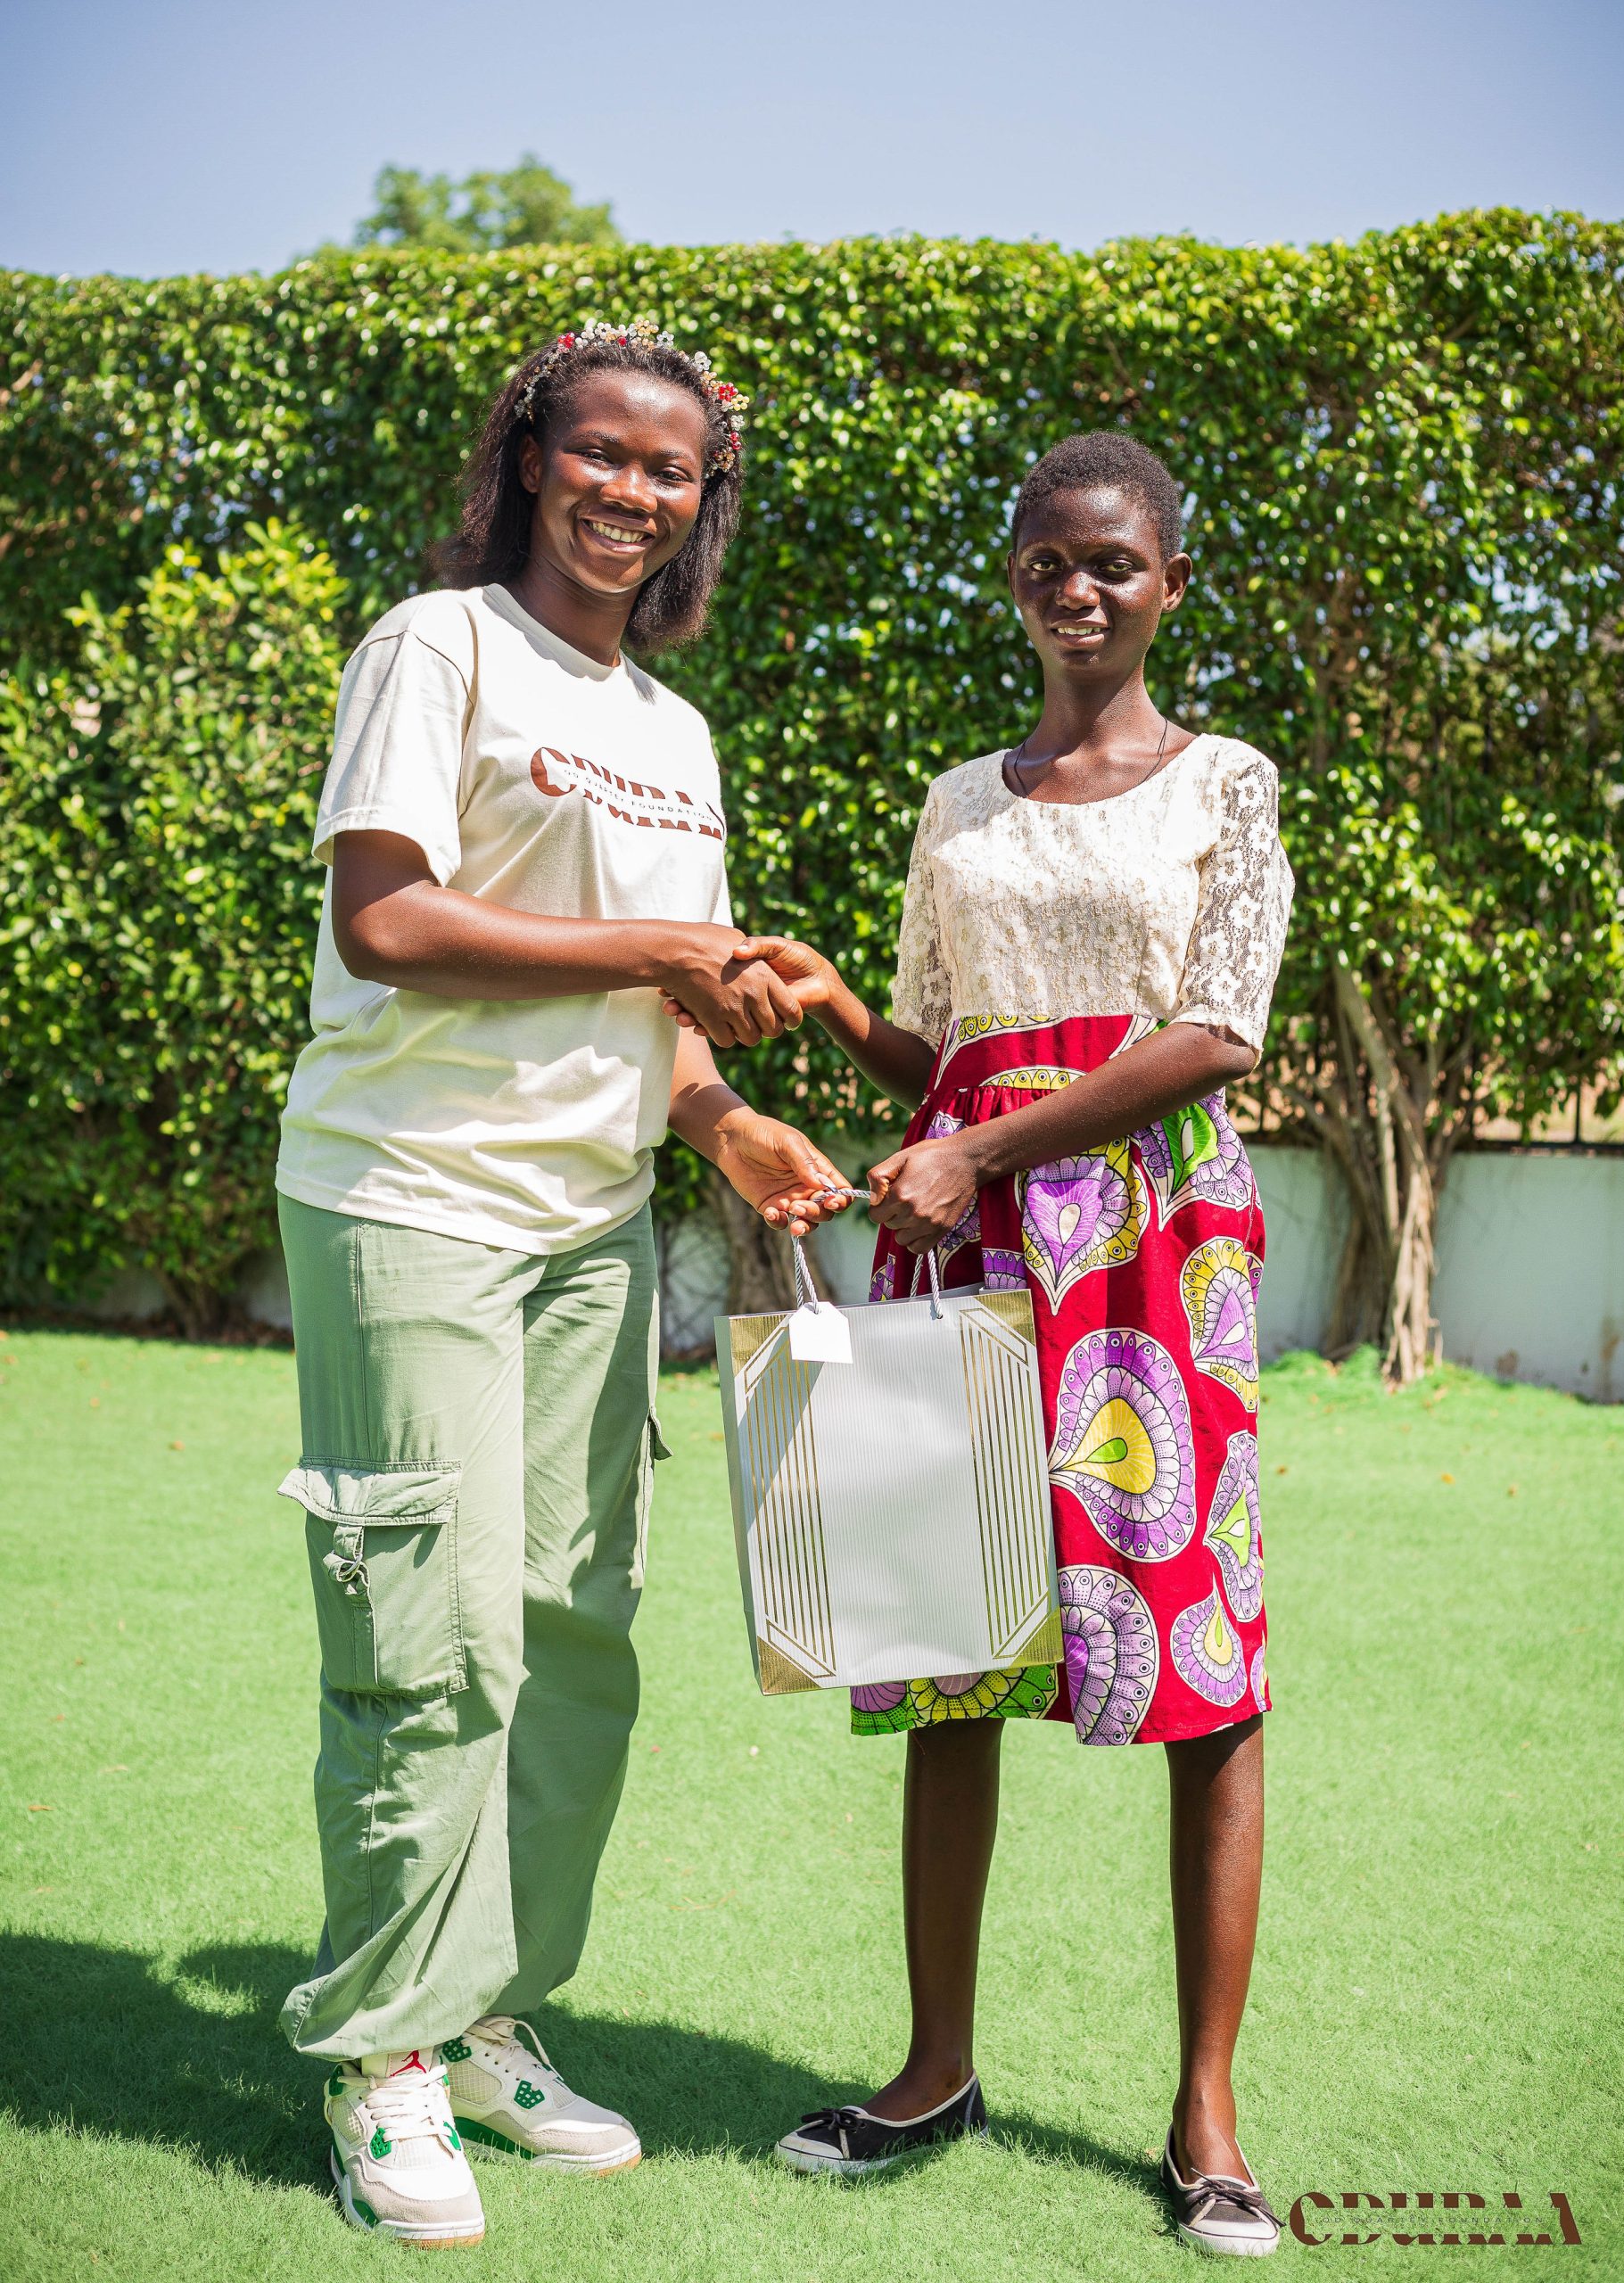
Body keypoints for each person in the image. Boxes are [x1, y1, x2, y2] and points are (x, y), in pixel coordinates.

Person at [274, 316, 841, 2247]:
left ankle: (485, 2015)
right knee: (428, 1637)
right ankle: (380, 2054)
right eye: (599, 452)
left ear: (702, 500)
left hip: (593, 1225)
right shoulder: (436, 646)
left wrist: (728, 1125)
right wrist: (652, 953)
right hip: (413, 1196)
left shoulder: (675, 733)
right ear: (530, 456)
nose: (630, 491)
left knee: (576, 1637)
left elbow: (664, 1020)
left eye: (671, 469)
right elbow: (387, 918)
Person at [706, 433, 1293, 2254]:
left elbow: (1215, 1033)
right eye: (1048, 559)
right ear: (1016, 580)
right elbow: (950, 1051)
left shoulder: (1228, 782)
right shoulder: (960, 798)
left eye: (1112, 560)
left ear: (1170, 582)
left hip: (1150, 1253)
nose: (1078, 587)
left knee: (1203, 1666)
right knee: (949, 1637)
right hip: (966, 1248)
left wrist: (984, 1148)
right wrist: (840, 1010)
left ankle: (1205, 2112)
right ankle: (934, 2066)